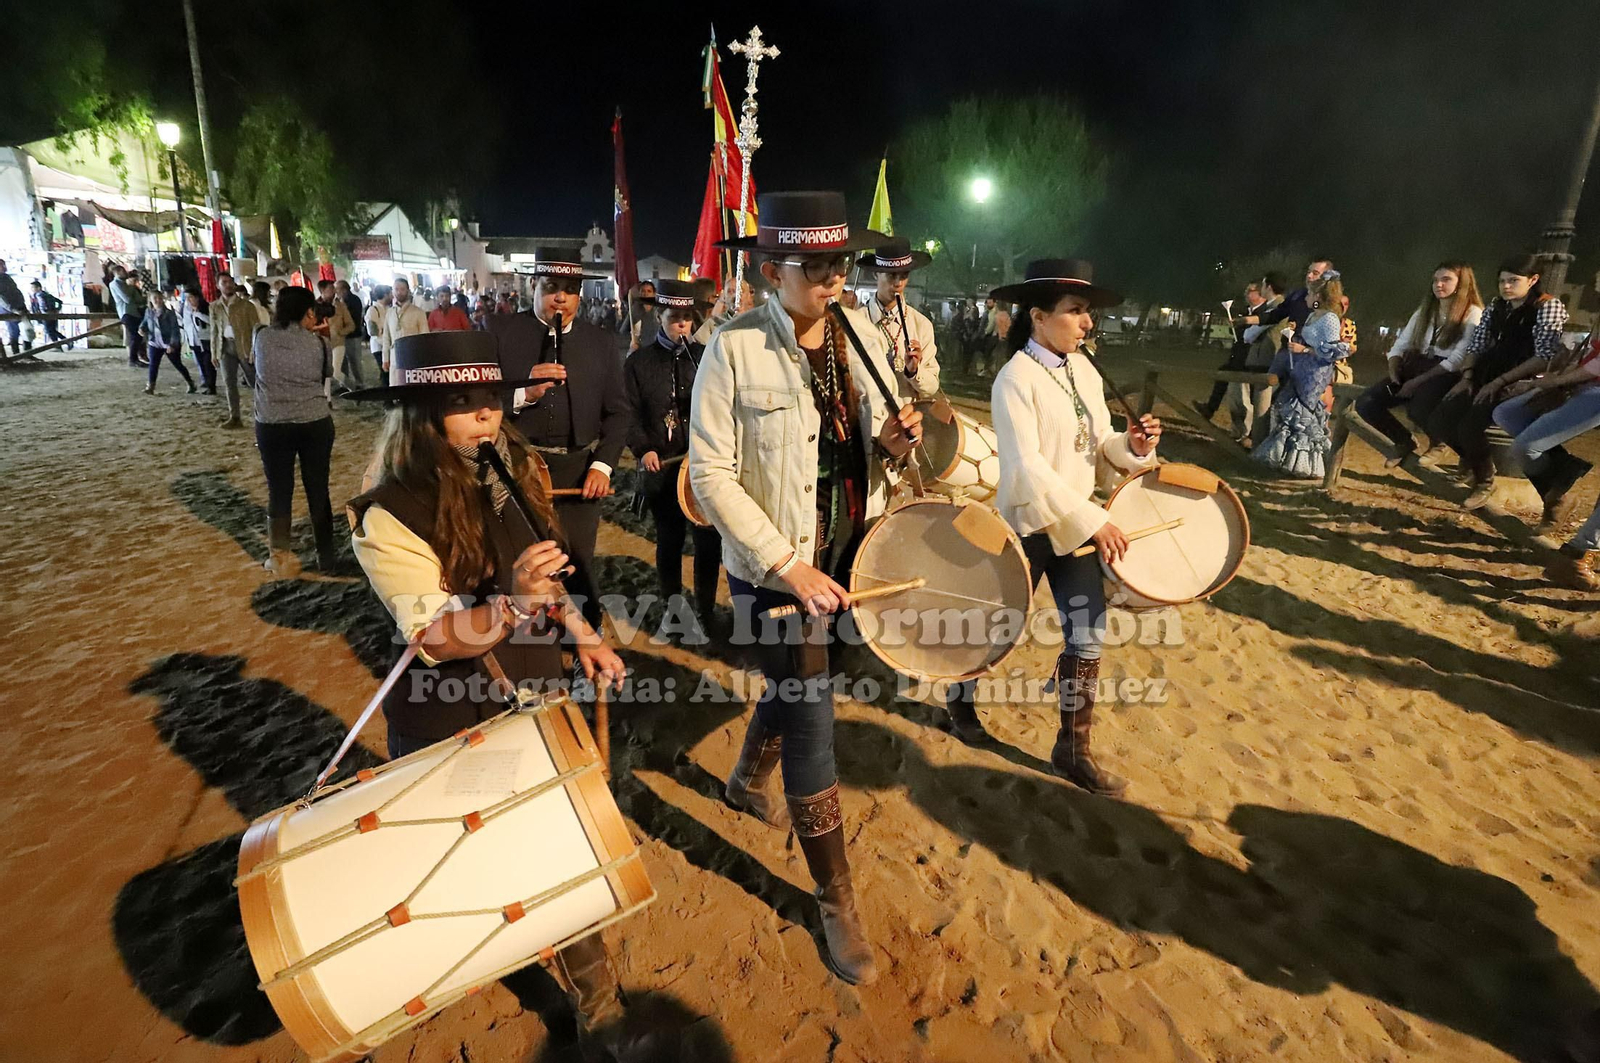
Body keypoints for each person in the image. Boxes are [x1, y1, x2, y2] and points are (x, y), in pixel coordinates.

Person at [343, 330, 627, 1033]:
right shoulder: (387, 512)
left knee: (552, 844)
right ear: (419, 413)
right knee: (462, 863)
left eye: (492, 400)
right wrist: (515, 604)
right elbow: (434, 635)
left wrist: (582, 632)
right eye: (461, 402)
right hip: (451, 714)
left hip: (532, 693)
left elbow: (543, 573)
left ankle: (597, 999)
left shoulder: (513, 467)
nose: (485, 416)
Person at [690, 190, 922, 986]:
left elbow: (871, 452)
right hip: (773, 570)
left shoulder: (858, 340)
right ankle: (836, 899)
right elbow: (711, 473)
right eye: (813, 265)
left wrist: (891, 441)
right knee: (814, 719)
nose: (830, 278)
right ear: (769, 269)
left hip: (852, 554)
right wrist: (787, 565)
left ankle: (745, 775)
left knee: (802, 687)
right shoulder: (732, 348)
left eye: (837, 263)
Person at [954, 259, 1161, 797]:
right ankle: (958, 705)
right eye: (1076, 312)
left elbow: (1099, 448)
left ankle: (1072, 750)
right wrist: (1094, 522)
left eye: (1087, 313)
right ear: (1039, 316)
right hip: (1028, 525)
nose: (1086, 323)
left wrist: (1133, 447)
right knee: (995, 625)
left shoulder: (1084, 371)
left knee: (1087, 637)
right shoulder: (1014, 379)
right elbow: (1026, 470)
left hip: (1074, 529)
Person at [489, 248, 629, 628]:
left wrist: (602, 466)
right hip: (518, 467)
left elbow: (619, 413)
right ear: (533, 286)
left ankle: (584, 638)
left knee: (577, 559)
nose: (561, 297)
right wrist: (523, 394)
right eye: (551, 287)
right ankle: (530, 641)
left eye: (570, 289)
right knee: (524, 557)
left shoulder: (600, 342)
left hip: (579, 471)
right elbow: (480, 403)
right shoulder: (501, 333)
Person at [1427, 254, 1570, 509]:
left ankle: (1485, 480)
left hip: (1521, 381)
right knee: (1440, 417)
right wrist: (1468, 376)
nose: (1506, 286)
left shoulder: (1546, 306)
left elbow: (1543, 356)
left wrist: (1500, 381)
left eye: (1513, 280)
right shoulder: (1497, 307)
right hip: (1487, 375)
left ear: (1533, 279)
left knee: (1470, 426)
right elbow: (1478, 344)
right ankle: (1474, 463)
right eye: (1502, 280)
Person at [623, 279, 723, 637]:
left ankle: (707, 610)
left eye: (686, 317)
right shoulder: (638, 363)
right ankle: (673, 609)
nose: (681, 324)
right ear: (660, 317)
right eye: (673, 317)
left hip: (701, 468)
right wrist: (643, 448)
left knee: (708, 542)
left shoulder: (707, 358)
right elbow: (629, 414)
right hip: (661, 469)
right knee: (669, 541)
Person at [1354, 263, 1484, 467]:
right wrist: (1394, 370)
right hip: (1415, 367)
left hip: (1445, 373)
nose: (1438, 285)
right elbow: (1401, 344)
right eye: (1435, 280)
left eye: (1446, 279)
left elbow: (1458, 359)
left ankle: (1440, 444)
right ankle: (1403, 441)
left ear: (1462, 284)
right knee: (1367, 402)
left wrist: (1415, 383)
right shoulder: (1426, 310)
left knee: (1419, 408)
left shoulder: (1473, 313)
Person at [253, 286, 335, 576]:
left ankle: (279, 556)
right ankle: (326, 556)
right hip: (314, 421)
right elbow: (327, 375)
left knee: (279, 489)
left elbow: (255, 372)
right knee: (317, 488)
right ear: (309, 312)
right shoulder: (319, 343)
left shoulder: (261, 336)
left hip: (273, 422)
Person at [1491, 330, 1599, 530]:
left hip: (1596, 392)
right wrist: (1540, 381)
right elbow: (1589, 355)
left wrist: (1555, 381)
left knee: (1524, 447)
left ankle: (1557, 497)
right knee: (1507, 414)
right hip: (1583, 382)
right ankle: (1560, 484)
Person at [1252, 270, 1352, 478]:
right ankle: (1289, 461)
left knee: (1303, 416)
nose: (1305, 298)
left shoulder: (1330, 319)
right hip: (1301, 369)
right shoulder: (1314, 316)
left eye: (1309, 294)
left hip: (1315, 374)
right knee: (1288, 411)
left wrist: (1305, 350)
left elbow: (1336, 350)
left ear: (1318, 297)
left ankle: (1309, 465)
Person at [856, 236, 941, 401]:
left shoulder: (921, 325)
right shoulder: (856, 322)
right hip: (866, 422)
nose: (898, 283)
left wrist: (914, 371)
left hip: (906, 419)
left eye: (903, 275)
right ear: (876, 274)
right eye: (891, 275)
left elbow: (931, 387)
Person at [1195, 281, 1264, 423]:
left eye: (1250, 290)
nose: (1246, 293)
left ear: (1260, 293)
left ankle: (1253, 428)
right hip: (1240, 358)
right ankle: (1210, 409)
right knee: (1224, 374)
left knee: (1253, 398)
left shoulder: (1264, 313)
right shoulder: (1246, 311)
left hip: (1254, 360)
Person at [209, 274, 263, 427]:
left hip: (244, 346)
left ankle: (264, 412)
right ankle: (235, 416)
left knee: (255, 381)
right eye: (224, 282)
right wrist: (214, 353)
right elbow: (214, 331)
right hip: (225, 346)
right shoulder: (214, 306)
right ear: (218, 285)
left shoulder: (246, 306)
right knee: (229, 383)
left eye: (230, 282)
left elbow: (256, 328)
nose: (228, 285)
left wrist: (254, 350)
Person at [140, 290, 194, 395]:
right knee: (153, 365)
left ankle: (190, 383)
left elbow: (175, 329)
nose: (158, 300)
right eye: (155, 298)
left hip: (168, 343)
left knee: (177, 364)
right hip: (154, 342)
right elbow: (145, 322)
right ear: (151, 300)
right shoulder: (149, 312)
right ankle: (150, 386)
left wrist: (172, 344)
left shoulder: (169, 313)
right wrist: (141, 328)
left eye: (160, 298)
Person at [315, 279, 361, 391]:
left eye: (334, 288)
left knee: (335, 372)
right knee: (326, 373)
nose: (334, 291)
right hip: (322, 344)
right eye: (330, 289)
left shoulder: (340, 306)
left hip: (338, 343)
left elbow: (351, 324)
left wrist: (341, 333)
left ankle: (353, 388)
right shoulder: (315, 307)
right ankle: (327, 396)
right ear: (322, 290)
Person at [180, 288, 217, 394]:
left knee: (208, 363)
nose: (188, 300)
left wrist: (198, 314)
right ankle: (206, 382)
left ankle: (211, 386)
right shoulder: (186, 309)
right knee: (201, 362)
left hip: (206, 339)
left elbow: (212, 322)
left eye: (190, 297)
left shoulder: (206, 307)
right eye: (186, 298)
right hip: (193, 340)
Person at [110, 266, 148, 368]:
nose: (125, 272)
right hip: (126, 312)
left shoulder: (124, 284)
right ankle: (133, 359)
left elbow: (139, 300)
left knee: (138, 336)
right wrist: (132, 288)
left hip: (133, 312)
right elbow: (127, 298)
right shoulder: (115, 284)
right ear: (117, 272)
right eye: (122, 271)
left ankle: (136, 358)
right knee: (135, 336)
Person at [384, 277, 429, 357]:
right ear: (392, 291)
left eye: (402, 289)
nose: (399, 292)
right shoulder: (389, 313)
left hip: (413, 356)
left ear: (408, 291)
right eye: (396, 289)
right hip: (395, 356)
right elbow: (386, 337)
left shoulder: (419, 312)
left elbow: (425, 337)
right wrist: (385, 358)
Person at [335, 278, 366, 374]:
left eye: (337, 289)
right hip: (343, 337)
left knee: (355, 362)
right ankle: (346, 384)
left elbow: (354, 318)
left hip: (353, 336)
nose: (336, 292)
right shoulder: (339, 301)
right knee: (342, 362)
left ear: (344, 289)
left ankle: (359, 384)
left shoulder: (354, 300)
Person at [0, 259, 28, 358]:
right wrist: (12, 309)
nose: (4, 267)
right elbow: (2, 299)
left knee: (27, 328)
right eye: (1, 265)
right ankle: (16, 354)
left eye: (4, 264)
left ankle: (28, 353)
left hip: (19, 305)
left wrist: (23, 303)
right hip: (8, 309)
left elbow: (16, 291)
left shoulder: (7, 277)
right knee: (14, 331)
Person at [27, 280, 66, 349]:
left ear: (38, 288)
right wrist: (56, 310)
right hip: (50, 314)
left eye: (33, 287)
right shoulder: (46, 294)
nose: (32, 289)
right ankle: (63, 343)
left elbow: (42, 306)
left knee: (50, 331)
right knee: (52, 330)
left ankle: (61, 344)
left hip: (46, 315)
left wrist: (47, 311)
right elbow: (59, 301)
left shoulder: (40, 295)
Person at [365, 285, 393, 374]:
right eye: (390, 294)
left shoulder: (389, 309)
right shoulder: (373, 310)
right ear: (385, 295)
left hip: (389, 345)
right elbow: (372, 331)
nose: (392, 296)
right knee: (385, 372)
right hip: (379, 347)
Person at [629, 280, 659, 351]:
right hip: (640, 349)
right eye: (643, 291)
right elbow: (624, 329)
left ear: (654, 293)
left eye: (649, 291)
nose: (646, 294)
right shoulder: (634, 310)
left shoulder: (659, 311)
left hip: (656, 349)